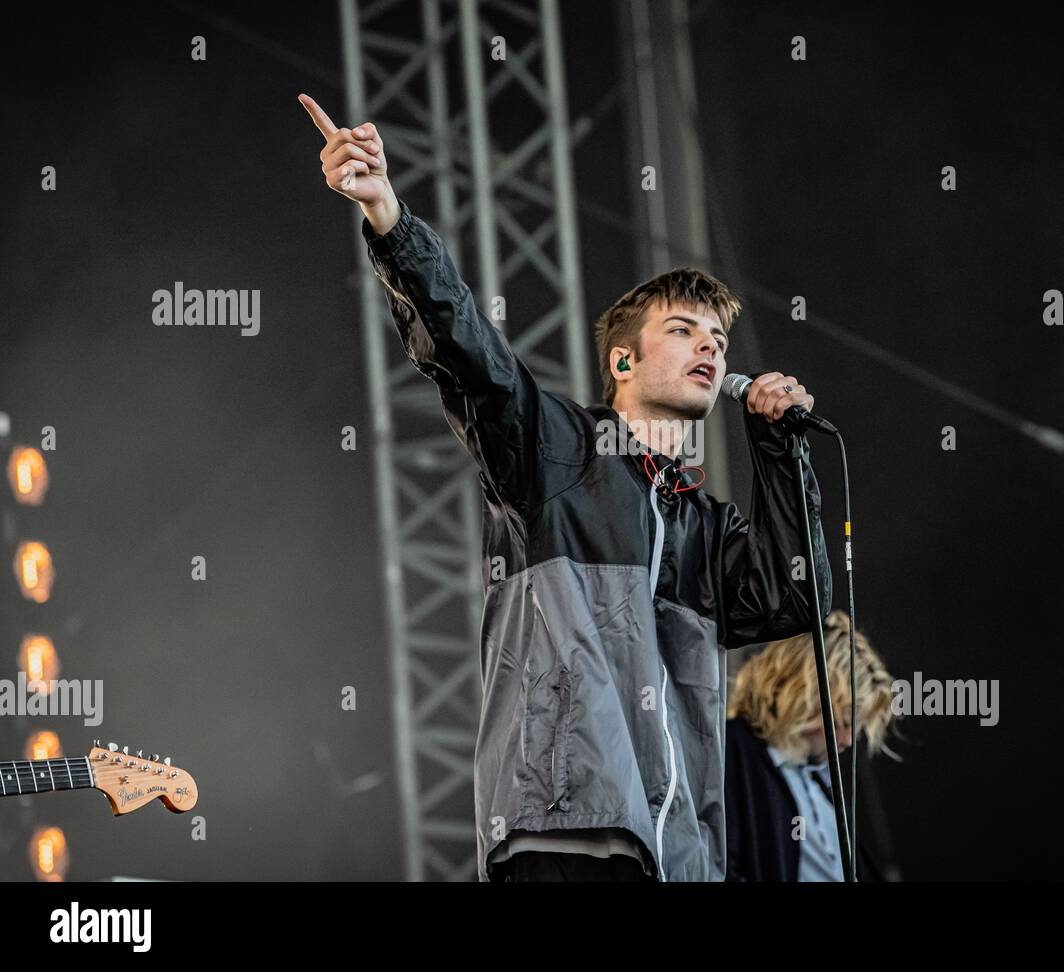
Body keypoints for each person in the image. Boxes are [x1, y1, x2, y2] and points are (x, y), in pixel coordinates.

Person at [299, 94, 832, 881]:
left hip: (679, 856)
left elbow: (794, 599)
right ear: (622, 361)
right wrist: (388, 216)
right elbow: (466, 347)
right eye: (683, 331)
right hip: (564, 830)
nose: (710, 350)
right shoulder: (556, 450)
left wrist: (780, 454)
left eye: (718, 339)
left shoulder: (703, 525)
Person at [725, 609, 897, 881]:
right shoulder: (734, 753)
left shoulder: (821, 781)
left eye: (857, 728)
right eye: (842, 720)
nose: (848, 740)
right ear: (805, 698)